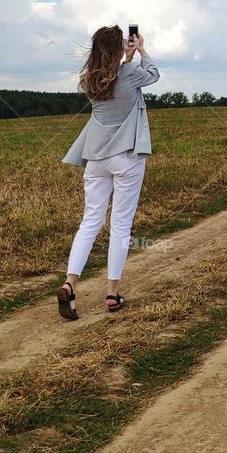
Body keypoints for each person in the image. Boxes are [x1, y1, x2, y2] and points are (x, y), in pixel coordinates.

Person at [57, 25, 160, 320]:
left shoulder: (89, 80)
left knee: (90, 222)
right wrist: (140, 50)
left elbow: (115, 77)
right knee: (120, 225)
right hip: (126, 157)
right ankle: (112, 292)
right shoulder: (130, 73)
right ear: (119, 48)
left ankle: (70, 283)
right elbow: (152, 74)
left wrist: (124, 58)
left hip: (95, 160)